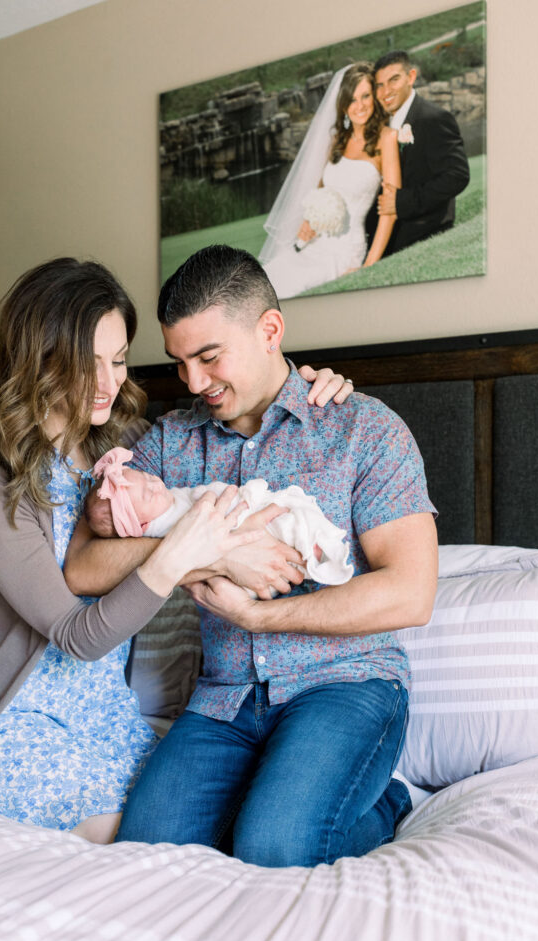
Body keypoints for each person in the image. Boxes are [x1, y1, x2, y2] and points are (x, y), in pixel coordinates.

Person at [0, 256, 352, 845]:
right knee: (148, 840)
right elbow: (76, 637)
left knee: (209, 819)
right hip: (4, 719)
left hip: (106, 715)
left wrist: (308, 383)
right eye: (84, 363)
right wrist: (200, 555)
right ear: (39, 360)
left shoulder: (133, 447)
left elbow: (244, 418)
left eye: (117, 360)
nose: (108, 383)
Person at [64, 244, 438, 868]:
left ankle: (384, 804)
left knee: (273, 846)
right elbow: (84, 566)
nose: (193, 383)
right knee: (147, 853)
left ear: (270, 330)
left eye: (209, 357)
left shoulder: (362, 429)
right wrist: (210, 553)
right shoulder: (169, 444)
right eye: (180, 362)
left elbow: (411, 593)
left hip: (344, 685)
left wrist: (259, 615)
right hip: (224, 698)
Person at [84, 445, 353, 586]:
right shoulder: (165, 526)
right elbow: (208, 520)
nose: (154, 483)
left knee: (283, 514)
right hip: (239, 536)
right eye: (146, 494)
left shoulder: (162, 502)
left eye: (145, 476)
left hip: (245, 533)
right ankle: (314, 553)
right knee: (284, 521)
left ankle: (313, 550)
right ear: (142, 525)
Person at [258, 62, 400, 299]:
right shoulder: (336, 140)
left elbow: (390, 211)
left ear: (374, 97)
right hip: (315, 243)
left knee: (291, 288)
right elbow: (321, 191)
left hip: (345, 250)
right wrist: (308, 221)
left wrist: (369, 266)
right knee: (265, 280)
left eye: (365, 96)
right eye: (352, 99)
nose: (360, 106)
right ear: (343, 104)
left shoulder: (387, 138)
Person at [366, 50, 470, 256]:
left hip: (421, 231)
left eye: (394, 80)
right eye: (380, 85)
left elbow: (457, 176)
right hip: (381, 233)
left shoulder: (433, 118)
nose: (386, 91)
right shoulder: (381, 123)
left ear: (411, 77)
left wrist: (402, 202)